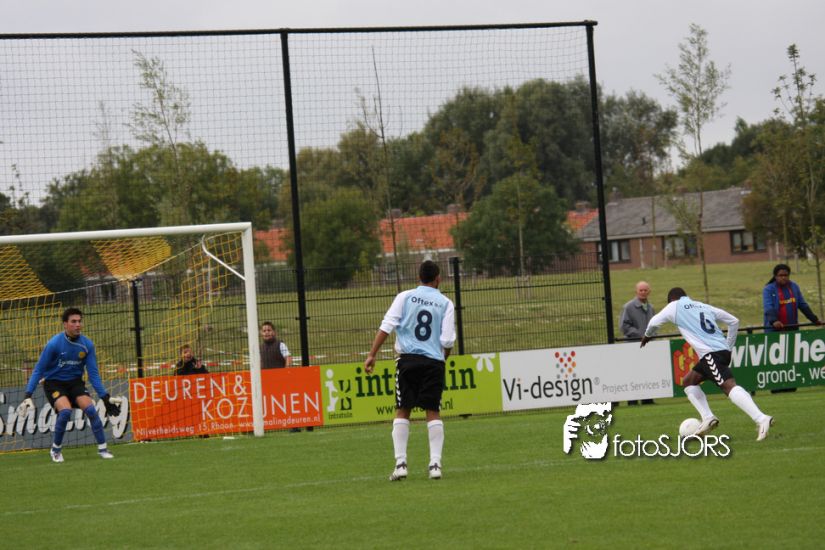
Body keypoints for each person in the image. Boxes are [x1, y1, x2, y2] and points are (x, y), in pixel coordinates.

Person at [640, 288, 774, 441]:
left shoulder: (674, 306)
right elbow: (734, 321)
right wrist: (728, 347)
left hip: (711, 354)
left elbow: (654, 322)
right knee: (689, 381)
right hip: (719, 352)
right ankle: (708, 417)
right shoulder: (702, 306)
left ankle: (761, 418)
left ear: (671, 300)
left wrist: (647, 336)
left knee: (729, 387)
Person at [365, 260, 456, 481]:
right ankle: (435, 465)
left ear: (418, 277)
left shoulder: (404, 297)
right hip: (433, 362)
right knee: (432, 411)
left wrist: (372, 354)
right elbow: (447, 340)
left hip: (407, 361)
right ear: (438, 279)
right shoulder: (446, 303)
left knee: (402, 410)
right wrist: (442, 359)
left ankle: (401, 464)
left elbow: (387, 325)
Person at [17, 307, 121, 462]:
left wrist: (105, 397)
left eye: (79, 321)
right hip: (54, 383)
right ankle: (56, 450)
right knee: (65, 412)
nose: (78, 324)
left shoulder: (87, 345)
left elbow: (93, 374)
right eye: (73, 321)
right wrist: (28, 394)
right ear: (65, 324)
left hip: (75, 383)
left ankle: (103, 449)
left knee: (91, 410)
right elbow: (39, 369)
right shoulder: (54, 344)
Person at [763, 264, 822, 393]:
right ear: (775, 276)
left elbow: (802, 305)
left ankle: (791, 385)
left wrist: (814, 319)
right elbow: (768, 307)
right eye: (780, 275)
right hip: (774, 331)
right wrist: (774, 321)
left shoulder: (794, 287)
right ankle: (776, 387)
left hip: (792, 330)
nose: (783, 278)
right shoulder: (768, 289)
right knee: (776, 360)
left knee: (791, 359)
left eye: (786, 275)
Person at [619, 281, 656, 405]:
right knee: (633, 373)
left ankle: (648, 399)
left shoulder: (651, 308)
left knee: (647, 372)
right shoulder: (628, 307)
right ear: (636, 291)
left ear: (649, 292)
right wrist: (640, 335)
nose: (643, 292)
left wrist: (651, 335)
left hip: (647, 346)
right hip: (633, 346)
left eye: (645, 290)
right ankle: (632, 401)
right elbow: (624, 326)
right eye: (641, 290)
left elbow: (655, 325)